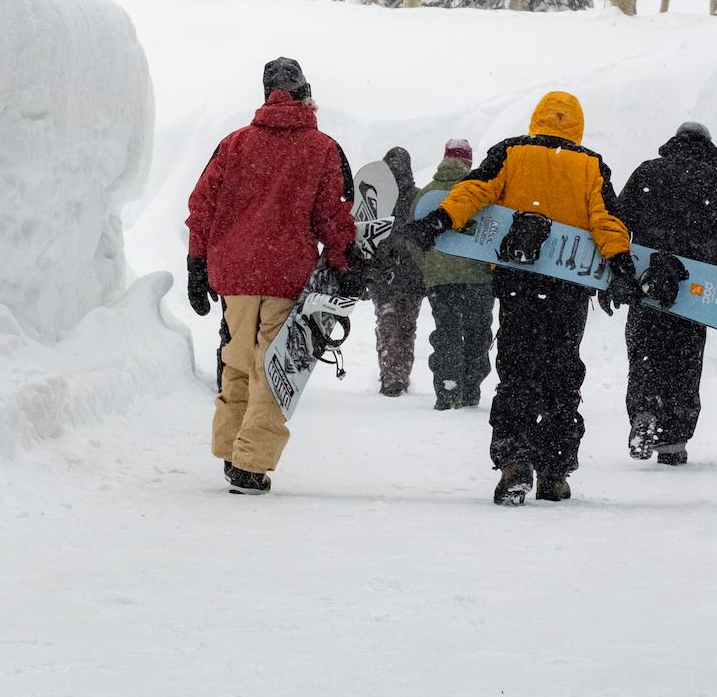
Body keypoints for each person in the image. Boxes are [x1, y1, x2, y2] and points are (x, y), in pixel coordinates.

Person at [407, 91, 639, 505]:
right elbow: (607, 221)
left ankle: (514, 461)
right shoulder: (590, 165)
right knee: (562, 375)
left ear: (537, 119)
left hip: (519, 283)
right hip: (568, 290)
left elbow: (474, 191)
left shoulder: (511, 152)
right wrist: (620, 264)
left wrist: (440, 219)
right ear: (577, 126)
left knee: (517, 372)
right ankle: (554, 471)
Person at [186, 57, 365, 495]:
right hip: (286, 275)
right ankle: (249, 465)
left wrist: (196, 263)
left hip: (234, 274)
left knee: (237, 362)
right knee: (274, 368)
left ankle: (231, 450)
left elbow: (202, 206)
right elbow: (334, 217)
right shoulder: (322, 149)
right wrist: (344, 265)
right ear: (305, 94)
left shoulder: (233, 144)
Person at [615, 120, 717, 466]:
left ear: (675, 142)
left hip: (647, 284)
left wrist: (617, 271)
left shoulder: (647, 172)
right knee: (683, 362)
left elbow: (618, 224)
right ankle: (673, 441)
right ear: (707, 147)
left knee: (644, 353)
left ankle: (644, 411)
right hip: (693, 291)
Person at [405, 138, 495, 410]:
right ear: (469, 161)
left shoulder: (427, 193)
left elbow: (414, 237)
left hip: (441, 279)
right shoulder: (479, 190)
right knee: (478, 333)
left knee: (447, 332)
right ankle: (470, 389)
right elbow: (494, 232)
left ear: (445, 158)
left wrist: (429, 267)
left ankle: (448, 388)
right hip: (478, 278)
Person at [369, 146, 424, 397]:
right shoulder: (420, 198)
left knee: (387, 322)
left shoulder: (376, 199)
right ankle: (401, 374)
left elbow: (367, 236)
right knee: (407, 326)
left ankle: (391, 375)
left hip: (383, 273)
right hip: (412, 274)